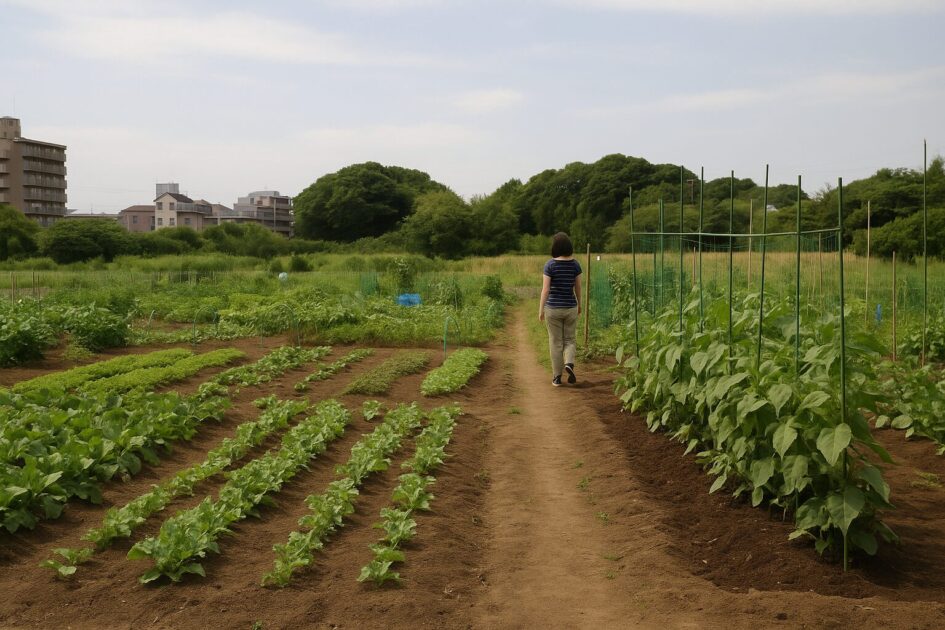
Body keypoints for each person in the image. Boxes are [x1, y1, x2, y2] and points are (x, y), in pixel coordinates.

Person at [538, 232, 582, 387]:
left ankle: (557, 377)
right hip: (570, 307)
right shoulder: (575, 264)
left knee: (556, 343)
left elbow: (545, 289)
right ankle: (569, 363)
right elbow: (578, 287)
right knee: (570, 339)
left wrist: (541, 309)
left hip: (553, 308)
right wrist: (580, 304)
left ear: (555, 247)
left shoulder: (550, 265)